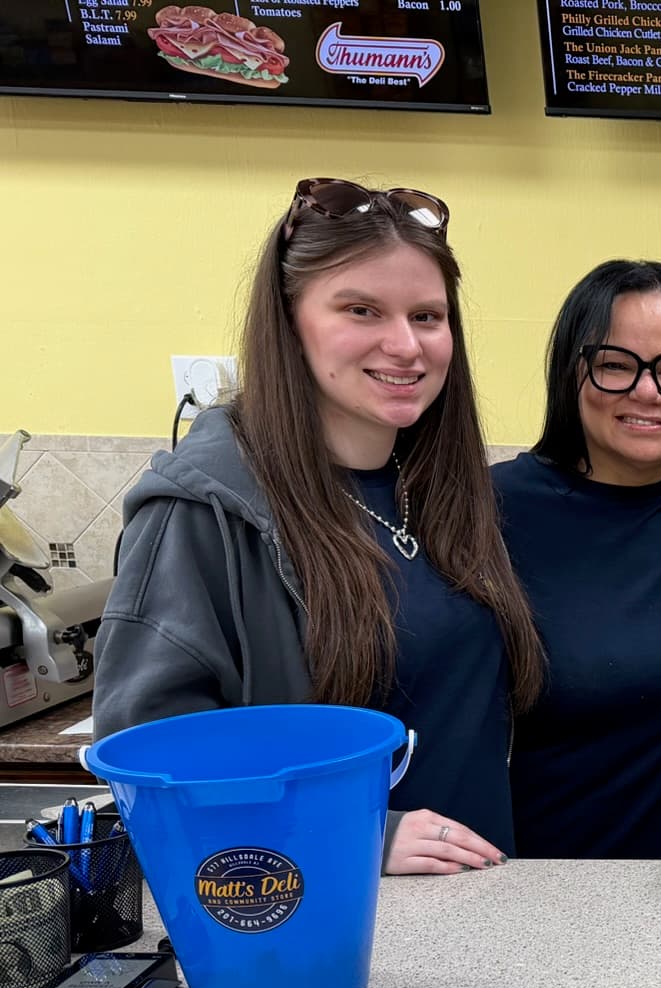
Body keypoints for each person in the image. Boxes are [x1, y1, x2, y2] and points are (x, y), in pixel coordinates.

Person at [95, 178, 545, 875]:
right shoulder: (201, 509)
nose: (406, 345)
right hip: (319, 912)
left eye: (427, 316)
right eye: (361, 309)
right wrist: (361, 832)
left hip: (480, 896)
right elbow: (151, 757)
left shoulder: (439, 491)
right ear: (289, 319)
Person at [494, 260, 661, 860]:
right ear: (573, 371)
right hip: (533, 886)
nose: (648, 392)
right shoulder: (488, 512)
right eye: (616, 365)